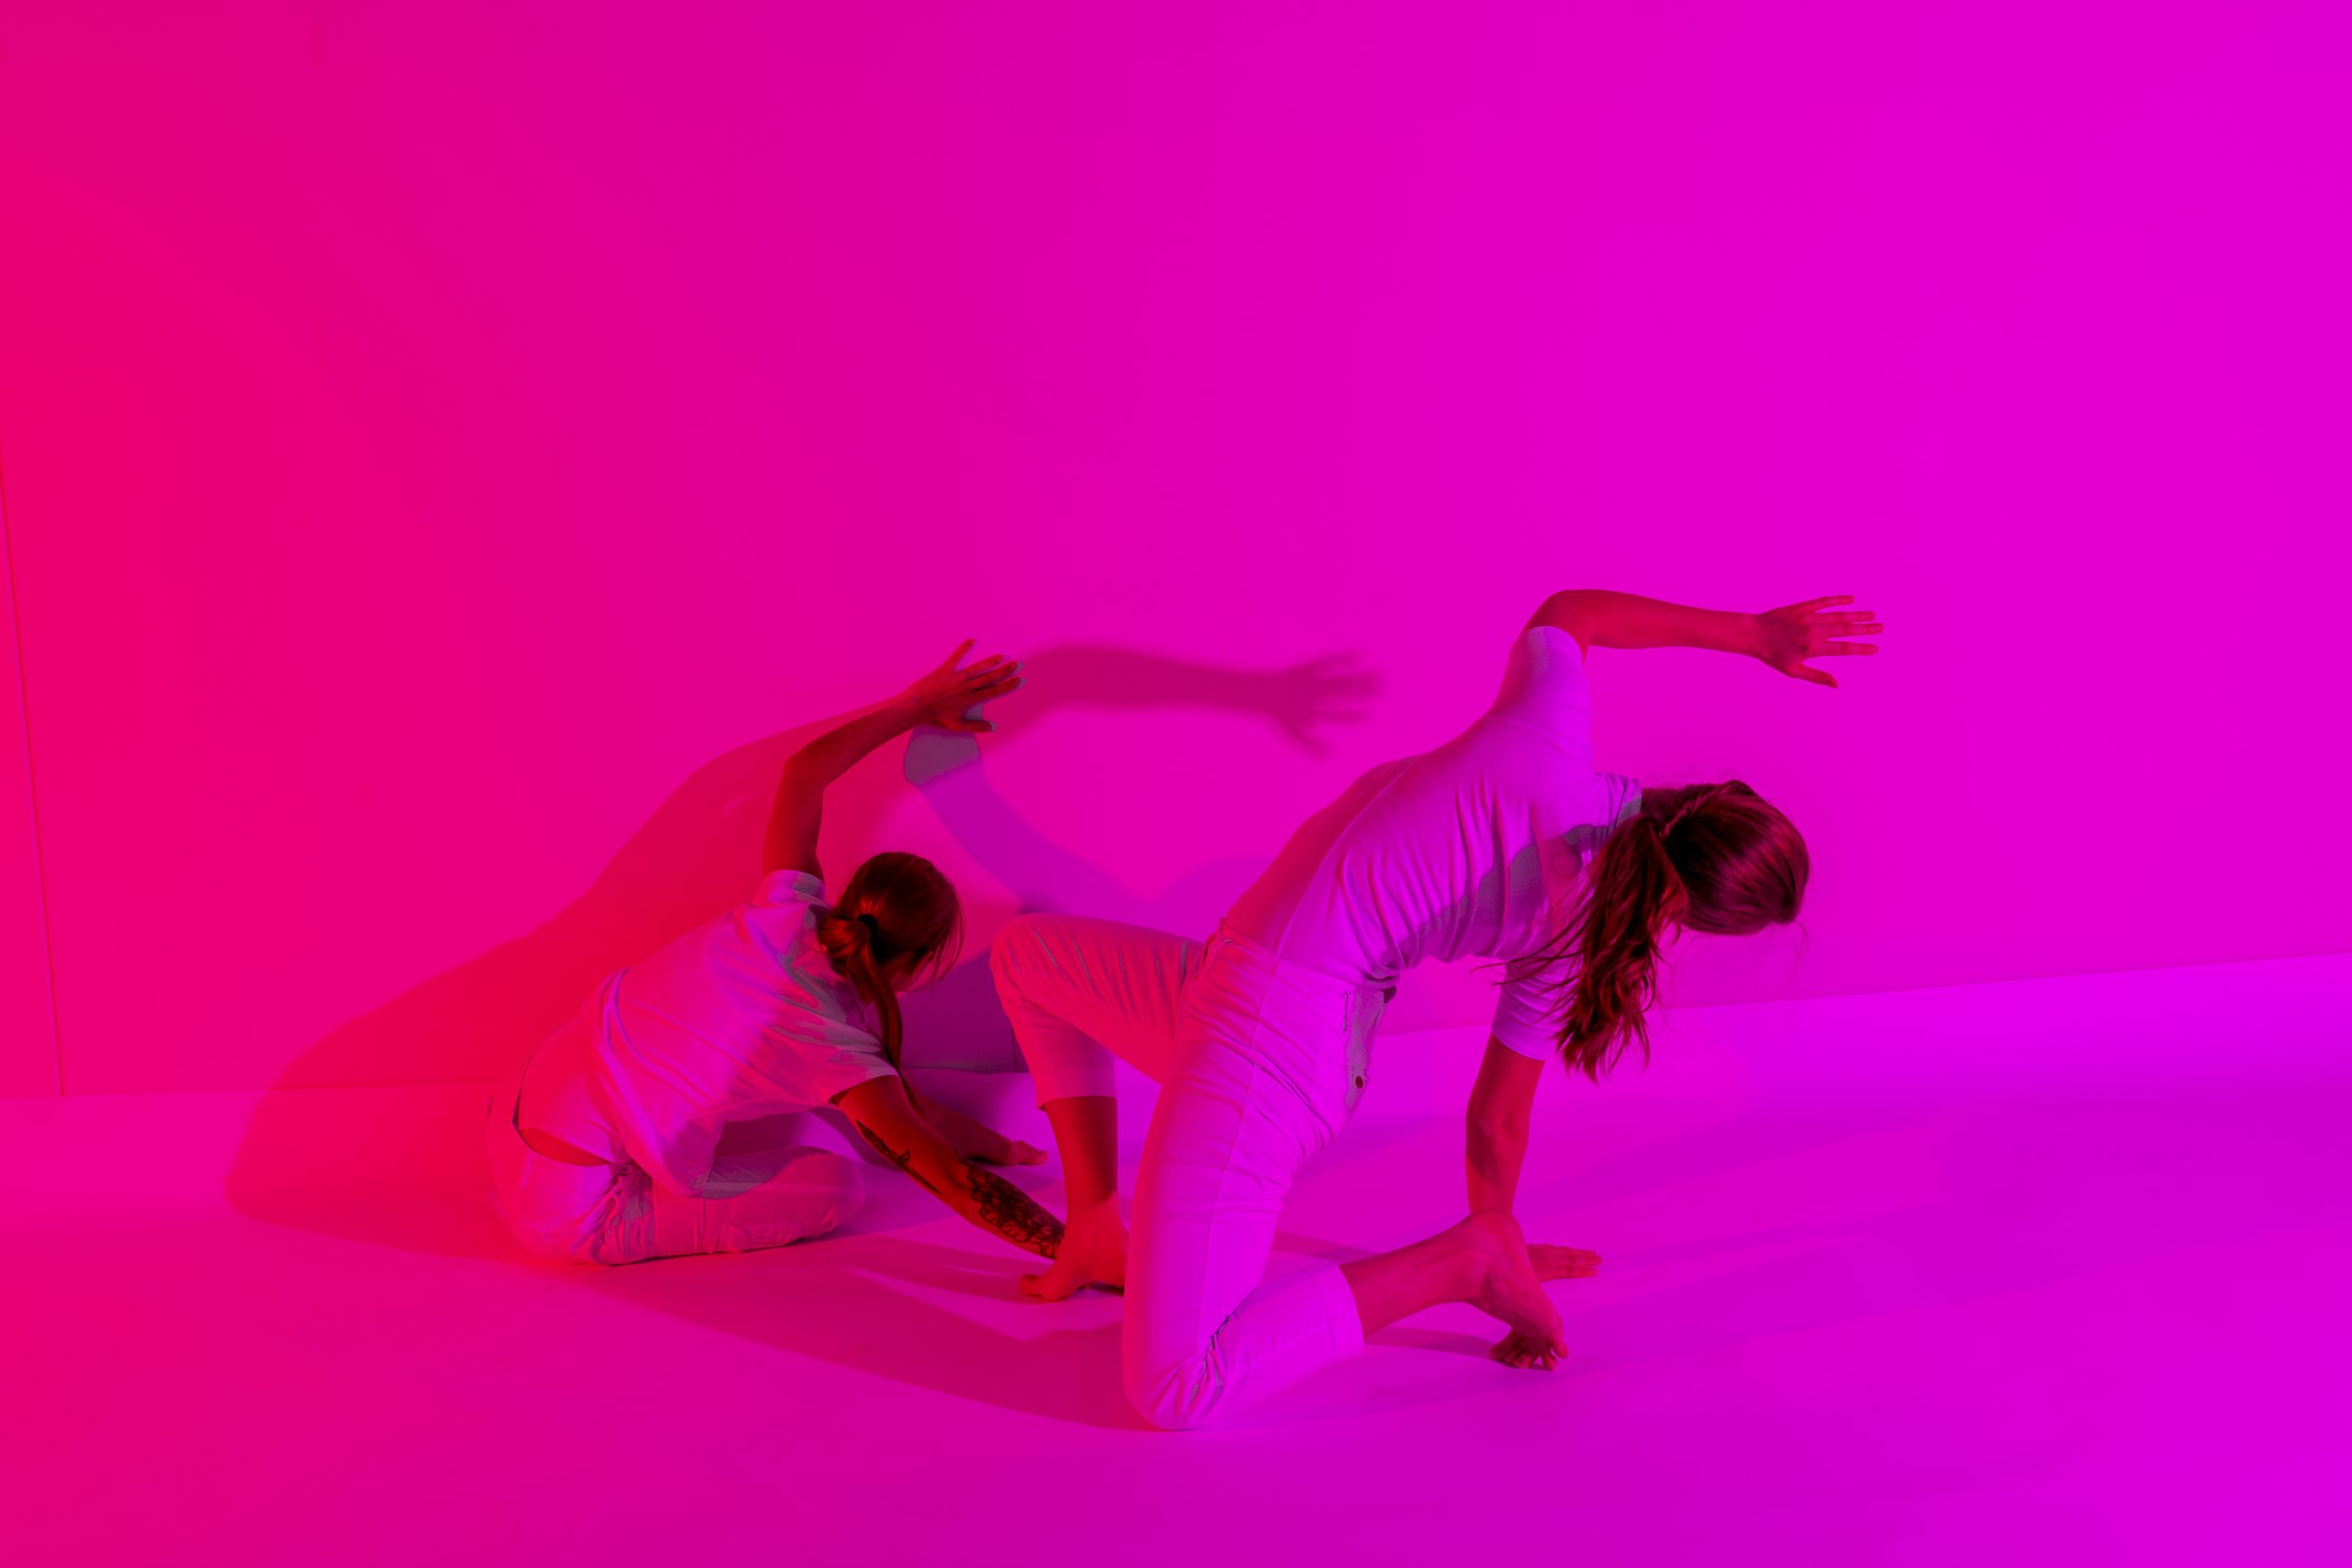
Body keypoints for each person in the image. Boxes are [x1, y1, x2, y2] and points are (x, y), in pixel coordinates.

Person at [990, 589, 1881, 1427]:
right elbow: (1497, 1119)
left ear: (1701, 800)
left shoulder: (1545, 740)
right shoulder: (1575, 925)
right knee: (1026, 958)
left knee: (1177, 1386)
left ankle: (1459, 1263)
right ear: (1690, 916)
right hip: (1227, 983)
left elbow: (1572, 611)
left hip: (1269, 1051)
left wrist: (1749, 635)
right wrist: (1503, 1213)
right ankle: (1097, 1226)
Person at [486, 642, 1069, 1267]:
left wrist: (916, 705)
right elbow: (943, 1172)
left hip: (511, 1108)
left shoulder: (786, 907)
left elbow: (804, 771)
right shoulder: (840, 1048)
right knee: (836, 1184)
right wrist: (1076, 1249)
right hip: (568, 1209)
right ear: (919, 963)